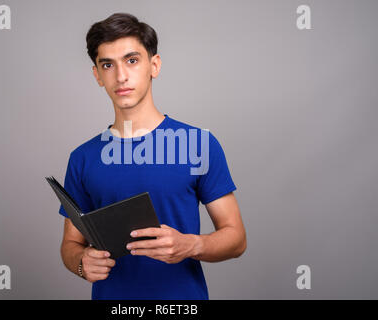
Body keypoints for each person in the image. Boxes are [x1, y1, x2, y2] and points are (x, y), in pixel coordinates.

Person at [59, 12, 247, 300]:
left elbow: (236, 238)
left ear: (154, 65)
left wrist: (191, 245)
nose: (121, 76)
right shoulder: (82, 158)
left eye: (132, 60)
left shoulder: (198, 144)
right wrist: (82, 263)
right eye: (108, 64)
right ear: (97, 74)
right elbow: (71, 244)